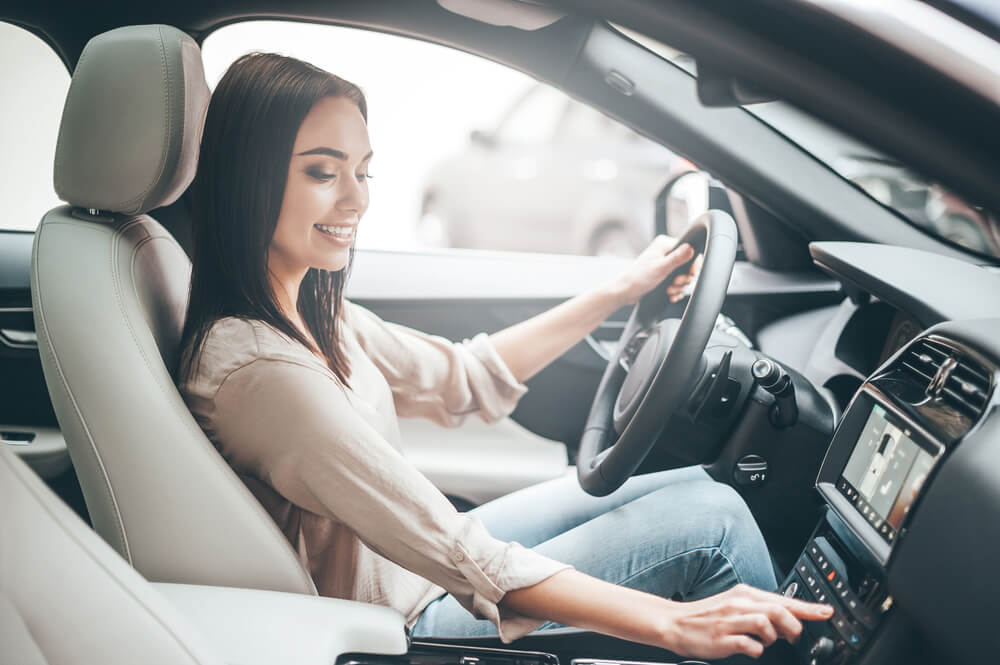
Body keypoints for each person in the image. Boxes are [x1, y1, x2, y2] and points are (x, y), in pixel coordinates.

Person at [178, 52, 833, 661]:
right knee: (709, 526)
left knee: (699, 485)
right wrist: (673, 623)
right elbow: (464, 554)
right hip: (399, 621)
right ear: (251, 178)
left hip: (414, 570)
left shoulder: (310, 311)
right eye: (323, 172)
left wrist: (616, 292)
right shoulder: (263, 373)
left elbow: (463, 376)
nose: (357, 199)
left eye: (363, 170)